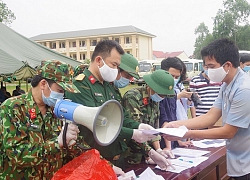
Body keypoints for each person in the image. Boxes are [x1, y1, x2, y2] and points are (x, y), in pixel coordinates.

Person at [66, 40, 172, 171]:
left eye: (118, 66)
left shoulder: (109, 87)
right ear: (99, 60)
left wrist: (139, 126)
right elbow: (100, 125)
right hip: (95, 163)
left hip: (117, 158)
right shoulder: (80, 86)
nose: (116, 70)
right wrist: (133, 133)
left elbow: (123, 117)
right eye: (114, 65)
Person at [163, 38, 250, 179]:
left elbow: (228, 132)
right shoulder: (226, 84)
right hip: (238, 160)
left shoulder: (244, 89)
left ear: (227, 65)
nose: (207, 71)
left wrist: (185, 133)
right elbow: (210, 117)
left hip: (246, 164)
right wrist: (176, 124)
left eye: (211, 66)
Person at [0, 60, 87, 179]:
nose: (62, 95)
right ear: (43, 84)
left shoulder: (57, 112)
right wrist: (57, 143)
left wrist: (106, 164)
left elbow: (76, 147)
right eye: (60, 91)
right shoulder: (13, 108)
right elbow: (17, 155)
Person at [122, 68, 176, 165]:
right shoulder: (133, 97)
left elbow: (153, 129)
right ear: (151, 86)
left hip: (147, 153)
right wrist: (150, 154)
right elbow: (136, 130)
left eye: (164, 95)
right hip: (131, 155)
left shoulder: (155, 99)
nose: (162, 97)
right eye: (161, 94)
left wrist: (159, 150)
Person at [160, 57, 194, 149]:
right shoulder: (158, 93)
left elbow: (172, 119)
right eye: (171, 76)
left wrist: (178, 142)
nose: (174, 79)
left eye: (177, 77)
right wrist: (168, 147)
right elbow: (164, 120)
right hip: (161, 142)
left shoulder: (173, 93)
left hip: (172, 140)